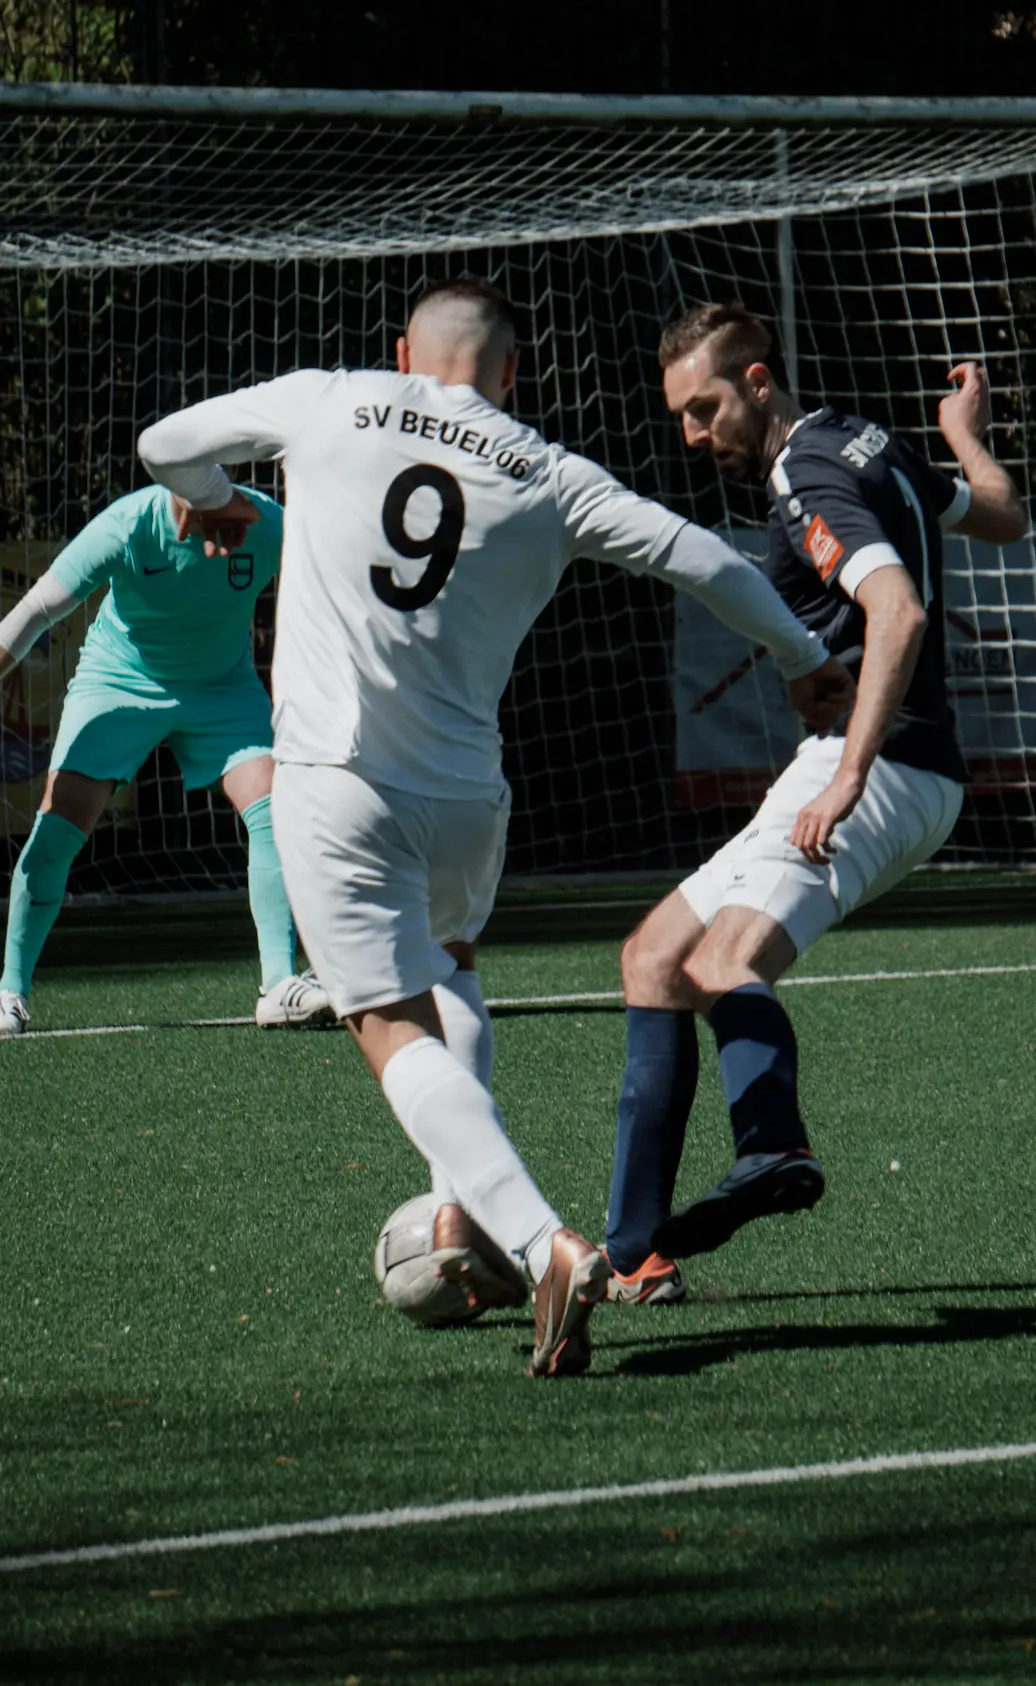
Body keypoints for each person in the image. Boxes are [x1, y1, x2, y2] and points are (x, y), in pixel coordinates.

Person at [135, 276, 854, 1379]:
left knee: (384, 1025)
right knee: (451, 975)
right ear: (513, 372)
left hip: (336, 784)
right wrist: (807, 662)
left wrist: (220, 492)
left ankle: (539, 1240)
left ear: (401, 350)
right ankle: (459, 1203)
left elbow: (163, 444)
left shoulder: (331, 397)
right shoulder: (549, 472)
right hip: (469, 803)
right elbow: (702, 559)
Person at [603, 301, 1028, 1300]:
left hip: (880, 767)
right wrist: (965, 441)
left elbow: (899, 609)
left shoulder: (805, 477)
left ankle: (773, 1146)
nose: (693, 433)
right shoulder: (865, 439)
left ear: (758, 379)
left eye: (705, 407)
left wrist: (848, 772)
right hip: (890, 765)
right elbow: (1005, 514)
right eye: (679, 416)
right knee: (654, 956)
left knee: (721, 959)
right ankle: (633, 1253)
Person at [0, 484, 332, 1035]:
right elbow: (34, 611)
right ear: (173, 505)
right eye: (192, 517)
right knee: (57, 829)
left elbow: (342, 576)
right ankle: (9, 992)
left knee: (277, 807)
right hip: (119, 681)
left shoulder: (269, 522)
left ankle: (279, 986)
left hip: (222, 686)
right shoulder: (125, 526)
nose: (204, 530)